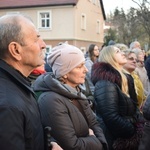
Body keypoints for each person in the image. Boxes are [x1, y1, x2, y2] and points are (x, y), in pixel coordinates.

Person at [0, 14, 62, 150]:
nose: (43, 45)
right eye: (36, 39)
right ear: (16, 50)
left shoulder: (19, 84)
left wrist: (48, 145)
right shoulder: (7, 105)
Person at [33, 43, 108, 150]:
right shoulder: (50, 100)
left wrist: (98, 141)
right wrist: (96, 141)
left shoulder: (77, 92)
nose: (86, 70)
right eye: (79, 66)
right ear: (65, 73)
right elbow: (71, 145)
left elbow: (95, 124)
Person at [91, 46, 144, 149]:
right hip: (115, 140)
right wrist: (133, 131)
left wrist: (139, 124)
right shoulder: (105, 82)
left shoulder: (126, 78)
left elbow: (134, 107)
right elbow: (111, 117)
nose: (123, 53)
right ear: (109, 57)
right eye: (117, 52)